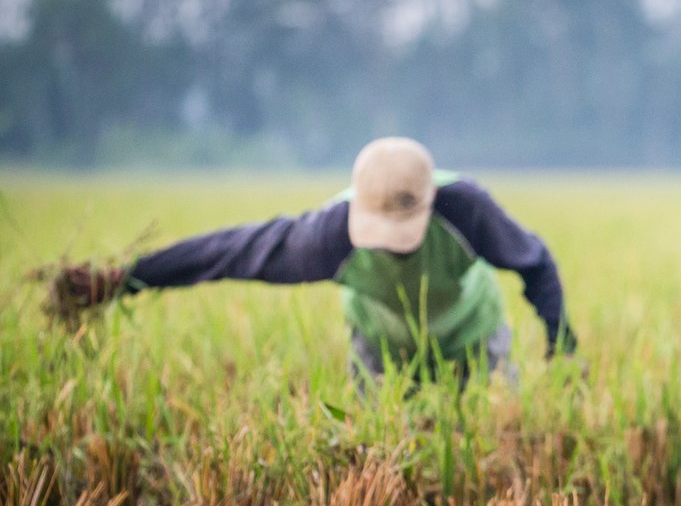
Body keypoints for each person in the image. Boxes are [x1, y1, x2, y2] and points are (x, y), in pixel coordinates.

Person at [49, 137, 577, 383]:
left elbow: (535, 263)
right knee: (383, 460)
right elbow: (228, 252)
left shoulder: (465, 209)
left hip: (472, 336)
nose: (390, 242)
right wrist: (126, 280)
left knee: (493, 454)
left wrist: (562, 346)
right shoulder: (329, 235)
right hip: (381, 350)